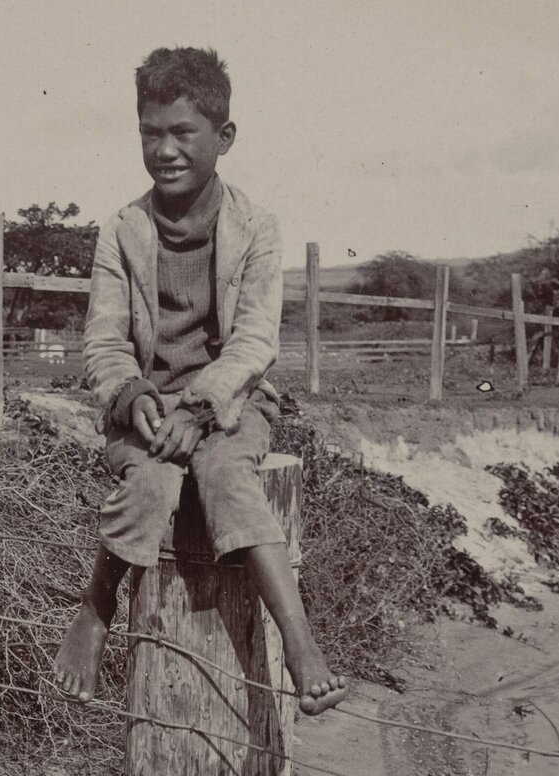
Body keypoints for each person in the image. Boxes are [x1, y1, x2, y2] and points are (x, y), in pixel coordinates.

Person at [53, 47, 347, 715]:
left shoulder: (256, 227)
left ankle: (299, 642)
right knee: (150, 481)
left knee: (225, 475)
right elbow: (104, 339)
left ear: (224, 136)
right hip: (147, 407)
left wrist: (202, 407)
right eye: (150, 133)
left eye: (183, 132)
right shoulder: (121, 230)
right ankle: (95, 611)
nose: (165, 150)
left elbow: (255, 341)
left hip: (229, 405)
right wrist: (132, 396)